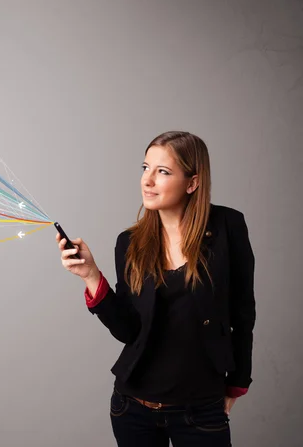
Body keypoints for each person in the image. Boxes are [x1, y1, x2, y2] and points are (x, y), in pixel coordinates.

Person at [56, 131, 255, 447]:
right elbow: (127, 330)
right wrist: (91, 276)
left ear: (192, 183)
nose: (147, 180)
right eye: (145, 168)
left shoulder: (228, 227)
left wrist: (237, 382)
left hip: (201, 408)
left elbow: (243, 312)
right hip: (132, 408)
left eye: (162, 171)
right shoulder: (130, 242)